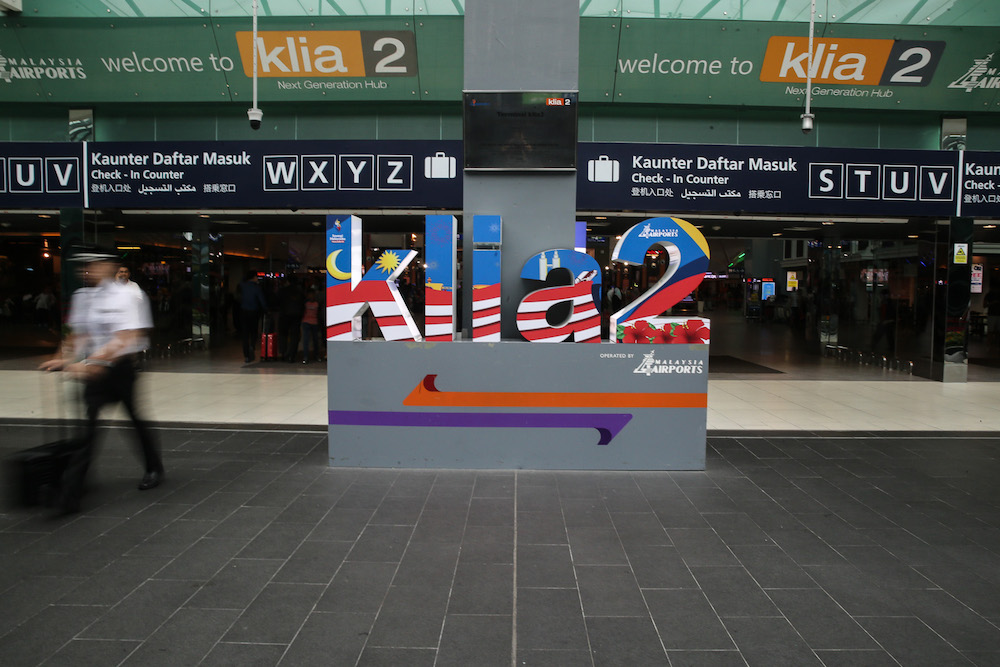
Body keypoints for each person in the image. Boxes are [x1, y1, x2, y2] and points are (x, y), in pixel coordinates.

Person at [39, 246, 164, 514]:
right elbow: (76, 332)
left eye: (92, 265)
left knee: (135, 420)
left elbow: (128, 336)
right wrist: (61, 357)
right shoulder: (82, 296)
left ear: (109, 266)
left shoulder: (128, 296)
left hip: (120, 370)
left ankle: (154, 467)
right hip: (94, 372)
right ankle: (70, 495)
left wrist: (92, 362)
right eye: (83, 266)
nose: (86, 270)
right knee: (87, 431)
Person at [238, 271, 268, 363]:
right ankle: (252, 345)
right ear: (254, 277)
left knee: (245, 333)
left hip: (244, 311)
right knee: (253, 331)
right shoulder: (256, 288)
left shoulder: (242, 286)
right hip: (254, 312)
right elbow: (261, 300)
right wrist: (266, 309)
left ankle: (246, 355)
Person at [300, 287, 320, 363]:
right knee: (306, 340)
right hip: (306, 322)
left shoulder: (317, 303)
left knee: (315, 340)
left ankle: (316, 356)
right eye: (310, 295)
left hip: (315, 323)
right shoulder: (305, 303)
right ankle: (306, 357)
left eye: (312, 295)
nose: (311, 296)